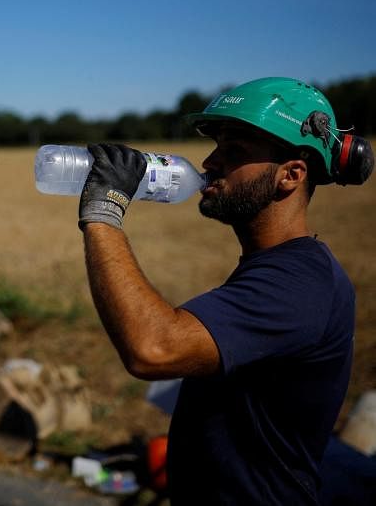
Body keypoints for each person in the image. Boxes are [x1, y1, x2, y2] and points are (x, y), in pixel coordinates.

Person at [77, 77, 363, 504]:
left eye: (235, 152)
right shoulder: (277, 268)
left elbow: (154, 348)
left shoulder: (300, 283)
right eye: (216, 146)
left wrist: (104, 211)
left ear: (291, 174)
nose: (210, 162)